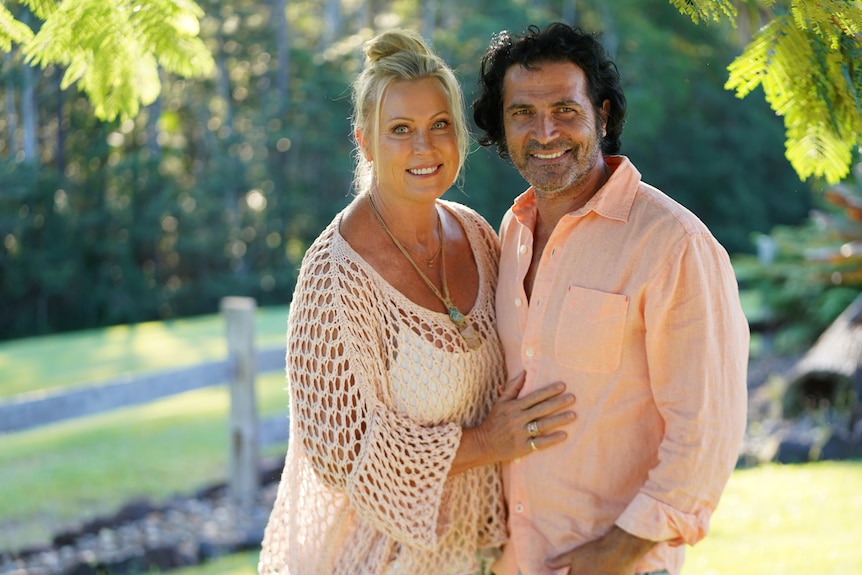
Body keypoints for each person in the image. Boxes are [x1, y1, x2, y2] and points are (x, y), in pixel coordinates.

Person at [258, 28, 576, 575]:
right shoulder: (335, 276)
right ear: (365, 142)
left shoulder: (478, 237)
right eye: (400, 130)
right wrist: (486, 443)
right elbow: (339, 453)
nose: (424, 148)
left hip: (475, 555)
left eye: (439, 126)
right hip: (369, 561)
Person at [472, 22, 749, 575]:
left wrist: (613, 554)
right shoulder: (512, 230)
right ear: (502, 127)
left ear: (601, 115)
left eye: (565, 110)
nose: (545, 131)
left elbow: (707, 432)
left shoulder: (673, 243)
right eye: (523, 112)